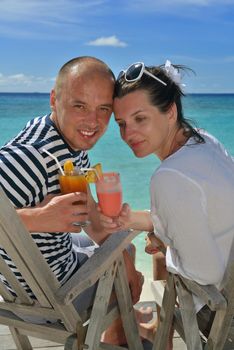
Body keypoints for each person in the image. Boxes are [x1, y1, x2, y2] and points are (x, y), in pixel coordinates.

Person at [0, 56, 146, 344]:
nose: (92, 122)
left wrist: (120, 249)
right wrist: (38, 218)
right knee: (127, 265)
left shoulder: (64, 137)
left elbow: (89, 212)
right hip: (48, 297)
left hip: (31, 272)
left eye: (103, 109)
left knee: (123, 249)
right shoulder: (30, 157)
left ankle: (116, 330)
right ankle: (114, 339)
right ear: (55, 99)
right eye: (79, 105)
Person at [99, 60, 234, 346]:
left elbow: (205, 273)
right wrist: (133, 220)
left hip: (222, 314)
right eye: (121, 124)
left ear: (170, 111)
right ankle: (161, 332)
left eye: (140, 119)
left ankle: (160, 337)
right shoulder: (204, 143)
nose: (127, 134)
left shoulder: (168, 177)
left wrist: (166, 245)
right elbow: (198, 210)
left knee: (161, 257)